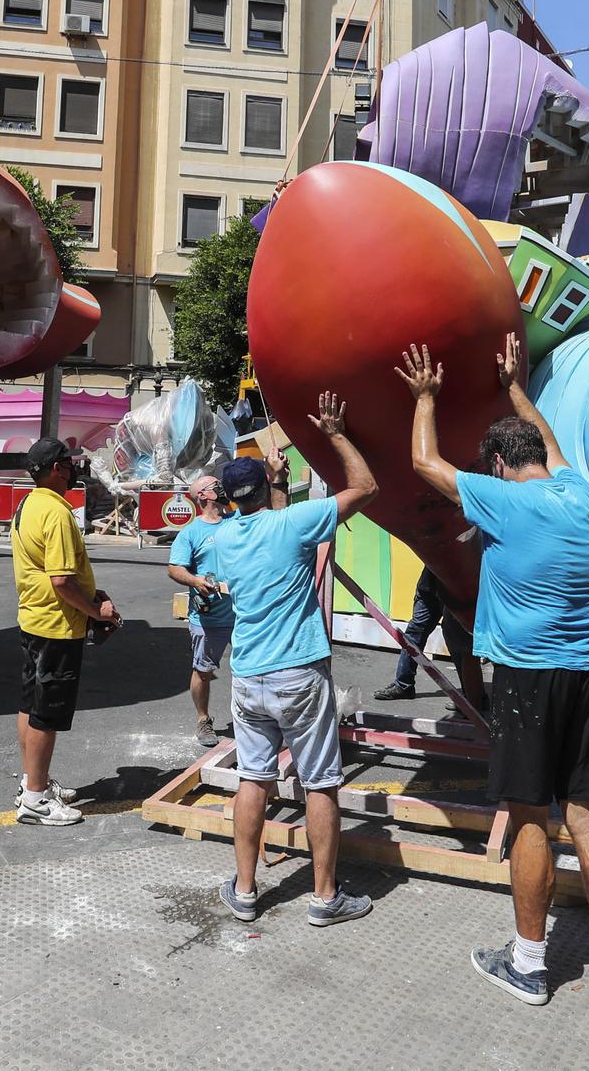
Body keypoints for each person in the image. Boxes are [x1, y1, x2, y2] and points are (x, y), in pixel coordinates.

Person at [397, 336, 589, 1018]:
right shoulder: (579, 494)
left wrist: (425, 396)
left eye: (494, 466)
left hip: (529, 680)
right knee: (588, 818)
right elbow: (552, 443)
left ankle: (530, 964)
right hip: (588, 674)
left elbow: (424, 462)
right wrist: (515, 387)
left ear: (501, 465)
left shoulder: (504, 500)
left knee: (532, 819)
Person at [209, 394, 378, 928]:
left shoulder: (221, 539)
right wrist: (334, 433)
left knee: (253, 780)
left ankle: (244, 890)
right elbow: (365, 488)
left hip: (249, 676)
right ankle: (325, 898)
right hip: (299, 673)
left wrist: (272, 485)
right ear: (264, 489)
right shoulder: (293, 525)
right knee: (321, 782)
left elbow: (272, 532)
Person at [10, 437, 122, 827]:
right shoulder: (57, 513)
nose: (74, 469)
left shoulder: (29, 503)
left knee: (30, 704)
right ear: (56, 468)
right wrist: (96, 610)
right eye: (69, 463)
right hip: (57, 625)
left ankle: (32, 783)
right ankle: (36, 801)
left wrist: (91, 596)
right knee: (48, 713)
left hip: (34, 620)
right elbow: (61, 580)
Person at [166, 472, 235, 748]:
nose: (221, 486)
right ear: (203, 496)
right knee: (203, 670)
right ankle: (203, 719)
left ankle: (257, 718)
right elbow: (174, 568)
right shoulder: (191, 533)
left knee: (254, 669)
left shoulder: (237, 520)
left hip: (245, 614)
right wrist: (195, 581)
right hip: (209, 617)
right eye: (215, 485)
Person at [371, 569, 488, 713]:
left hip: (455, 579)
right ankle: (403, 685)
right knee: (416, 630)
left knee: (458, 640)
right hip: (433, 577)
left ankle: (473, 699)